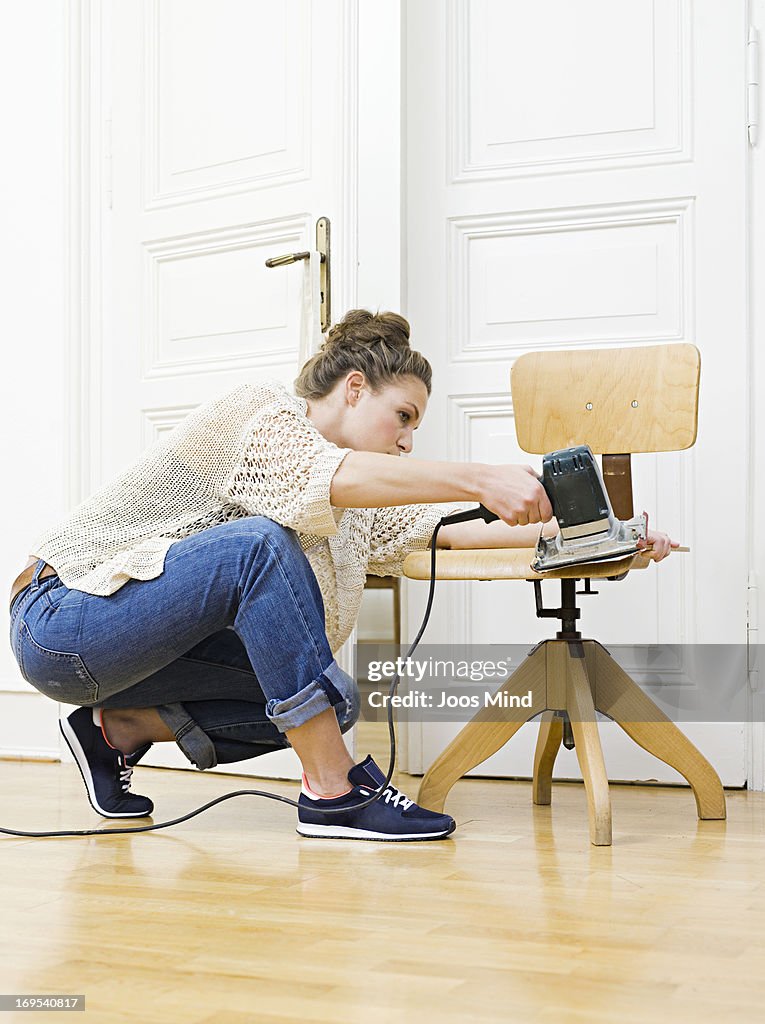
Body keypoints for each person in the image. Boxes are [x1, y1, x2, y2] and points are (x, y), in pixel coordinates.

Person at [7, 310, 677, 842]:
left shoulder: (353, 507)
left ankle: (115, 730)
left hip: (140, 660)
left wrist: (606, 536)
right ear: (354, 387)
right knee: (257, 546)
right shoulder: (258, 416)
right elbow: (323, 479)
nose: (408, 440)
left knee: (333, 701)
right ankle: (333, 794)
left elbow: (445, 527)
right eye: (403, 417)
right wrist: (477, 472)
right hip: (63, 621)